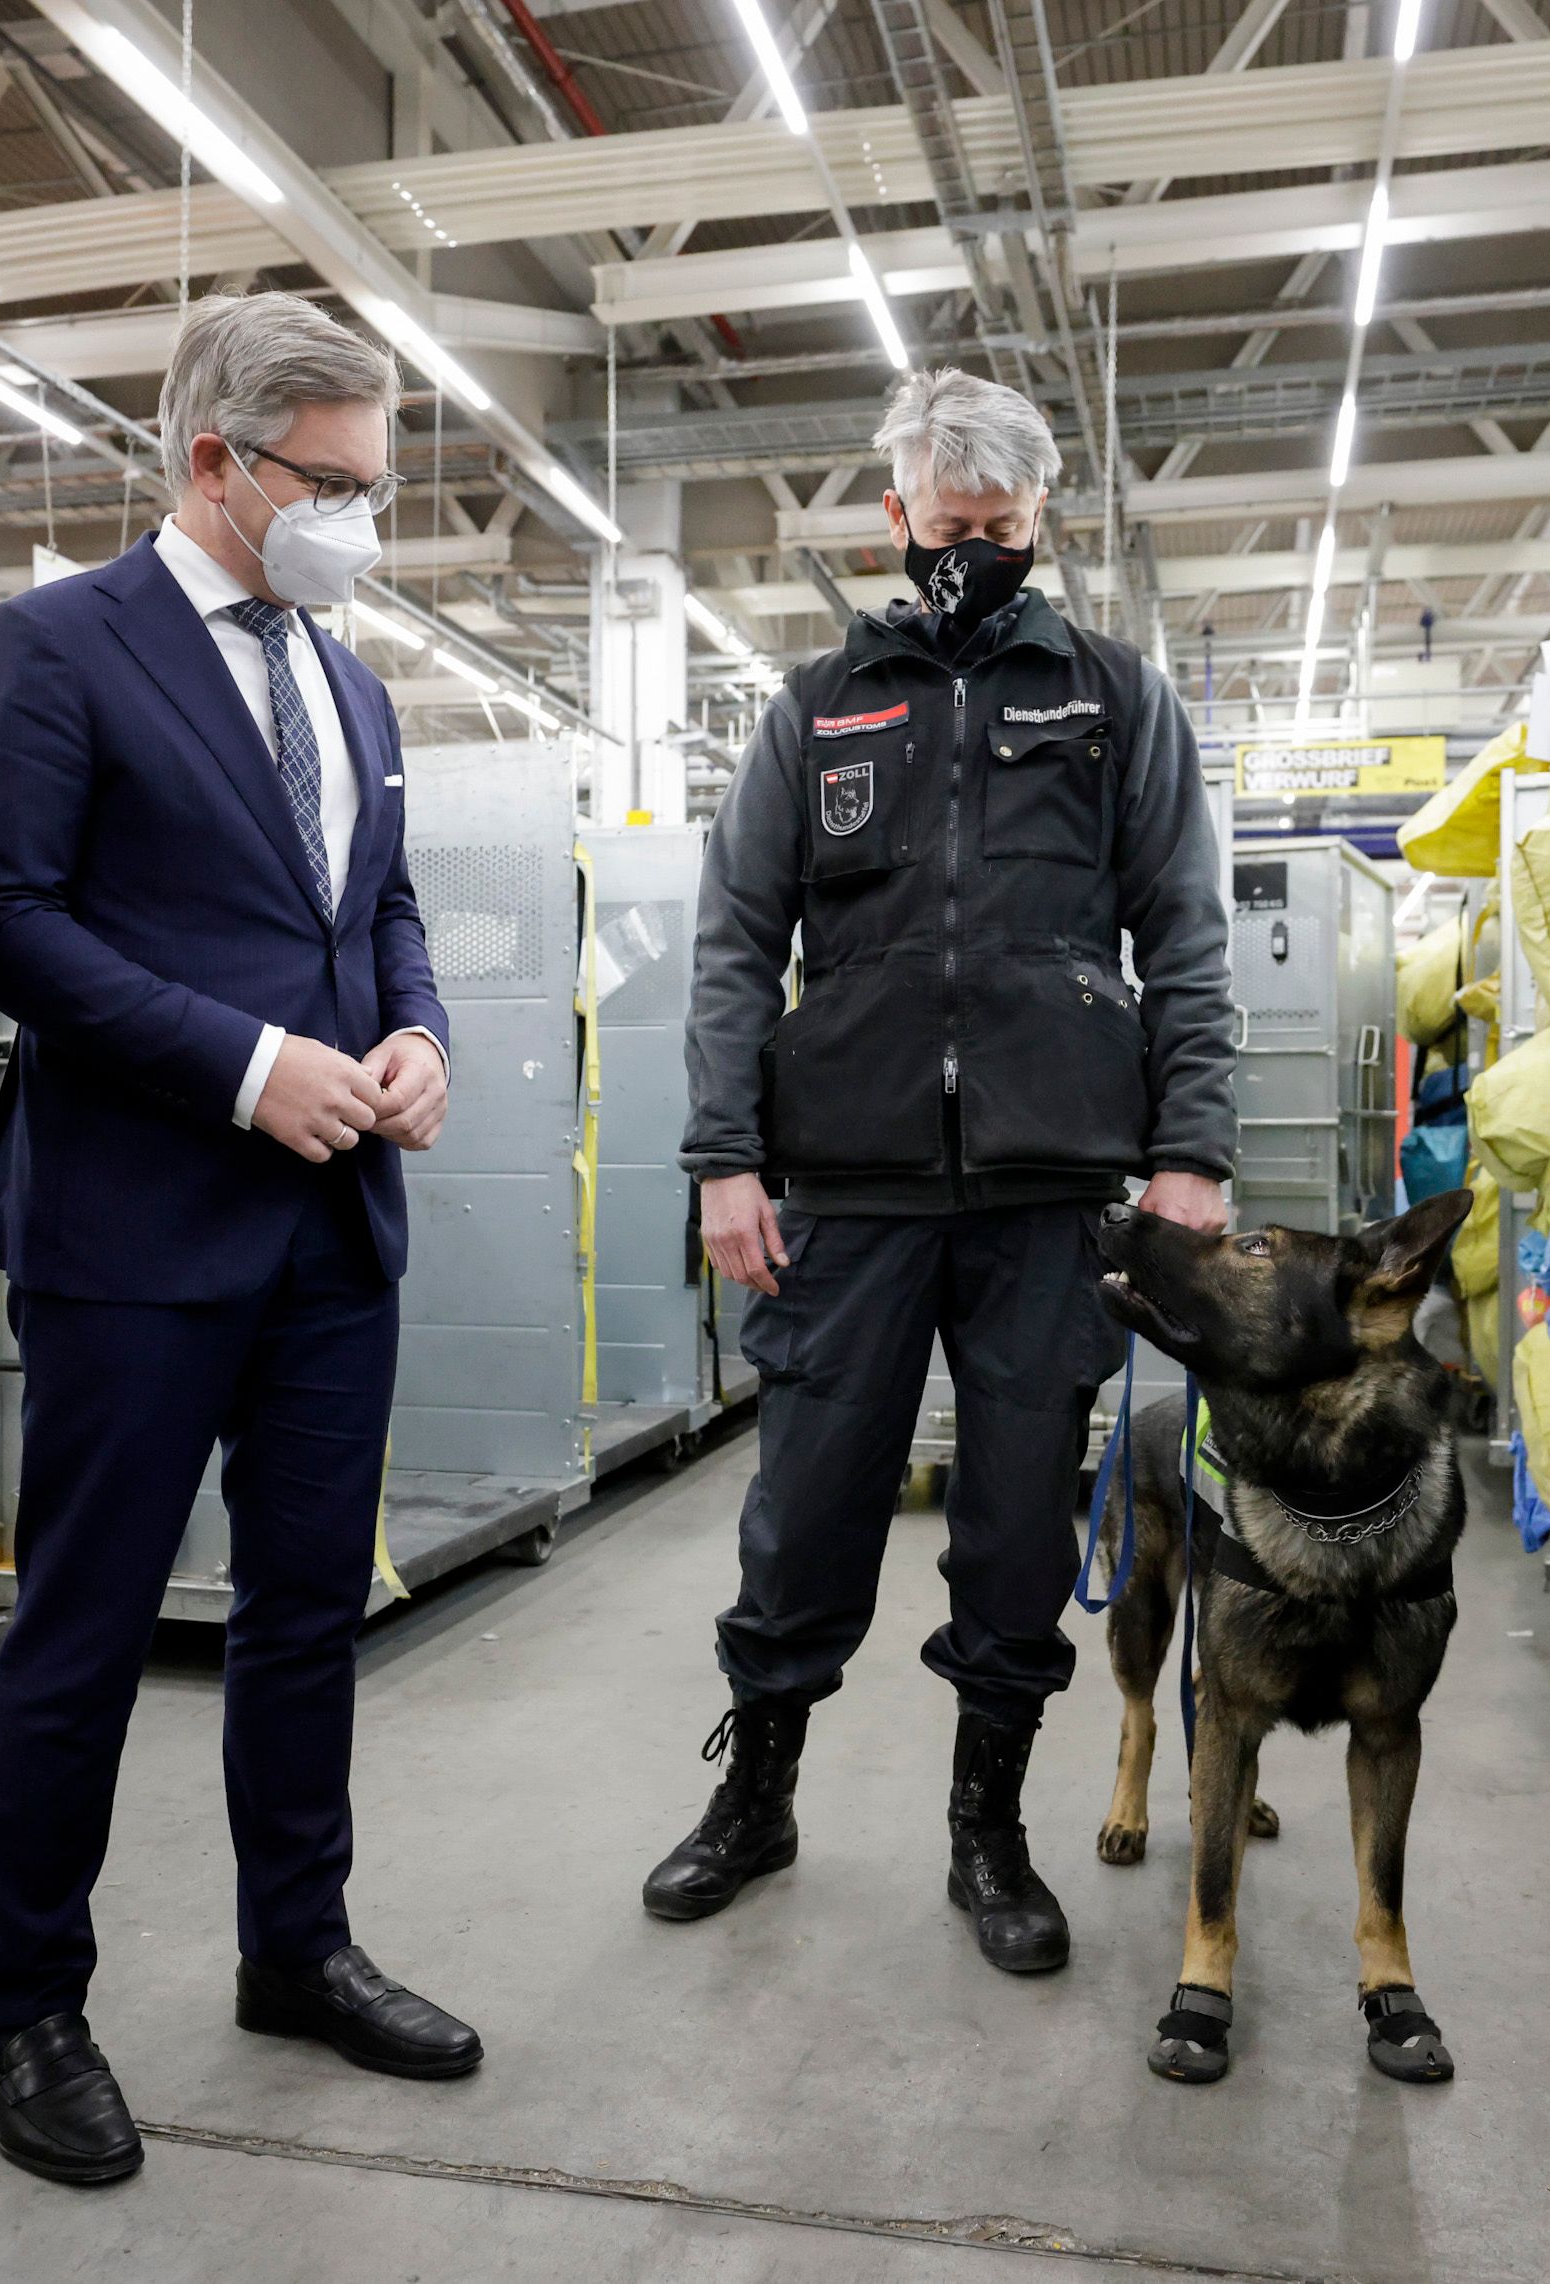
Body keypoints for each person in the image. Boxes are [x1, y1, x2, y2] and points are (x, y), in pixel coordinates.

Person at [0, 289, 469, 2189]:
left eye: (375, 487)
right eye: (329, 483)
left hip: (333, 1232)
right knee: (80, 1632)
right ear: (214, 461)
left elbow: (378, 911)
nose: (357, 521)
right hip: (140, 1226)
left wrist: (414, 1034)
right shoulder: (52, 647)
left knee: (308, 1616)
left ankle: (296, 1948)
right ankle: (27, 2005)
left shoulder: (352, 676)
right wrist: (244, 1068)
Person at [644, 368, 1238, 1971]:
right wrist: (724, 1159)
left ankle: (992, 1833)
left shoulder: (1116, 701)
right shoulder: (818, 707)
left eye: (1000, 525)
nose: (969, 549)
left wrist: (1192, 1151)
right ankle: (757, 1797)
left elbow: (1186, 934)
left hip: (1051, 1192)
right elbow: (732, 949)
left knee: (1016, 1528)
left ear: (1044, 520)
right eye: (944, 522)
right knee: (806, 1508)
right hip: (850, 1182)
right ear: (891, 516)